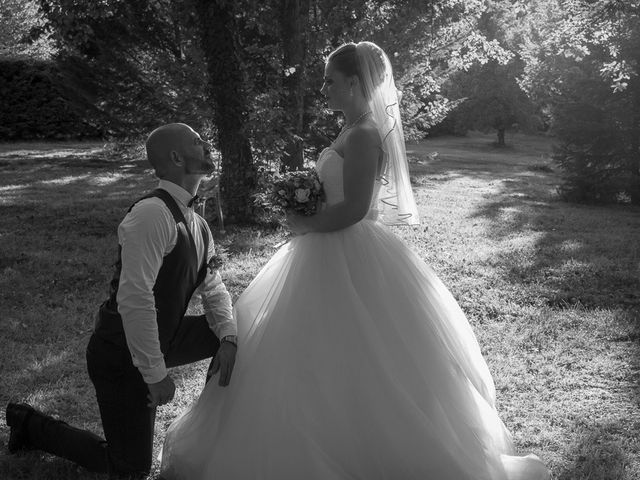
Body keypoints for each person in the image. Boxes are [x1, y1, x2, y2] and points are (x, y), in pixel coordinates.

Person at [160, 43, 550, 479]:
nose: (324, 88)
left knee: (366, 351)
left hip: (350, 250)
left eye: (330, 80)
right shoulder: (350, 130)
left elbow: (356, 210)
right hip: (321, 250)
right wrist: (305, 206)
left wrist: (306, 224)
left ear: (354, 82)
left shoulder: (364, 134)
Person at [5, 123, 238, 478]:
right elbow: (135, 299)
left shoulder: (198, 224)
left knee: (243, 330)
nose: (207, 144)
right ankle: (28, 424)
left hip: (166, 337)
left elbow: (214, 286)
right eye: (197, 141)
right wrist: (155, 375)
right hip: (120, 353)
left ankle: (214, 430)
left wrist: (228, 338)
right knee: (129, 470)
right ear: (176, 157)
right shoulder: (152, 215)